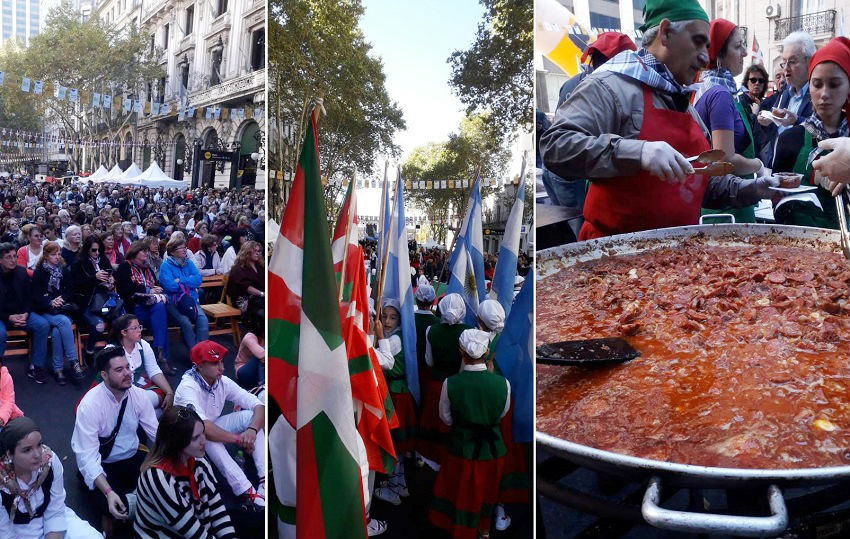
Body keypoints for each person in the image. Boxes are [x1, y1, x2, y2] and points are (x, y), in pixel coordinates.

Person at [539, 0, 778, 240]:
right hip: (613, 259)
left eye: (707, 46)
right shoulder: (610, 86)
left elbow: (701, 183)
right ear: (665, 33)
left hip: (678, 259)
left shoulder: (685, 104)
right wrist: (639, 153)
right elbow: (555, 146)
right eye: (697, 42)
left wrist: (755, 188)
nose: (705, 57)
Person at [428, 329, 510, 539]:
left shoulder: (450, 383)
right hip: (492, 449)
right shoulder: (503, 384)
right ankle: (484, 530)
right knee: (487, 492)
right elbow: (502, 413)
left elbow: (445, 417)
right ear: (486, 353)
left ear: (461, 352)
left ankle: (460, 530)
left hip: (461, 447)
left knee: (460, 492)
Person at [71, 346, 159, 538]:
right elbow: (87, 458)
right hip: (103, 464)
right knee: (114, 506)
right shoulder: (90, 404)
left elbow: (157, 434)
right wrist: (109, 491)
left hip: (133, 456)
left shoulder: (138, 395)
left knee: (164, 490)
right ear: (104, 375)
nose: (128, 373)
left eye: (128, 367)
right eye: (119, 370)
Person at [173, 340, 266, 507]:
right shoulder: (187, 387)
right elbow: (204, 428)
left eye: (221, 361)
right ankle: (246, 490)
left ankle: (264, 481)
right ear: (199, 366)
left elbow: (258, 405)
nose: (222, 367)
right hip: (185, 438)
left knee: (250, 416)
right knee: (205, 435)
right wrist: (239, 439)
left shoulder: (221, 380)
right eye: (215, 363)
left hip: (210, 426)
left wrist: (251, 430)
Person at [772, 37, 850, 228]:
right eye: (817, 84)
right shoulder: (789, 140)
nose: (824, 94)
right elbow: (776, 197)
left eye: (834, 84)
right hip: (800, 246)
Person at [693, 19, 764, 222]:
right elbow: (725, 159)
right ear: (719, 55)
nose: (744, 53)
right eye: (737, 46)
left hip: (723, 202)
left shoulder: (706, 87)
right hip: (727, 210)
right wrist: (758, 166)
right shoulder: (720, 95)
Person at [134, 406, 237, 539]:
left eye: (203, 433)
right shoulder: (157, 478)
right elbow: (191, 531)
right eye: (195, 438)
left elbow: (217, 510)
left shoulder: (200, 462)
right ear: (177, 442)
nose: (204, 441)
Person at [0, 417, 100, 539]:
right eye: (27, 450)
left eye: (39, 445)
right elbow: (4, 532)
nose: (37, 454)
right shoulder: (2, 482)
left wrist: (54, 534)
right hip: (17, 531)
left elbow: (55, 508)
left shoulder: (49, 462)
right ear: (9, 454)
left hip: (53, 518)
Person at [420, 293, 472, 469]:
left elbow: (429, 361)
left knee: (435, 420)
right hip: (457, 384)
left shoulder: (431, 330)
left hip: (436, 383)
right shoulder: (467, 332)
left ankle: (429, 458)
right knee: (451, 422)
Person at [372, 299, 415, 506]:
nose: (387, 321)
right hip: (394, 391)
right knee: (396, 441)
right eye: (385, 316)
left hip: (396, 394)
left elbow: (384, 361)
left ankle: (395, 486)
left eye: (393, 317)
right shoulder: (394, 336)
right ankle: (399, 482)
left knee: (394, 440)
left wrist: (378, 335)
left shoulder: (394, 340)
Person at [757, 31, 816, 166]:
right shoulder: (784, 93)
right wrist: (767, 122)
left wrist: (796, 121)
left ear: (809, 62)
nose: (786, 69)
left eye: (793, 61)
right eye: (784, 62)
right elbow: (775, 133)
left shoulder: (817, 93)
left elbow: (823, 131)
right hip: (774, 168)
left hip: (799, 174)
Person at [115, 241, 174, 375]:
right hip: (134, 308)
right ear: (135, 252)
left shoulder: (147, 268)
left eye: (147, 251)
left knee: (159, 309)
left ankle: (160, 353)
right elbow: (125, 288)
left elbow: (155, 284)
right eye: (143, 251)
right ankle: (162, 358)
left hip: (151, 307)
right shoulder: (125, 267)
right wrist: (148, 290)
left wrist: (156, 289)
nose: (146, 254)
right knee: (160, 318)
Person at [31, 242, 85, 385]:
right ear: (46, 256)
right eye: (53, 254)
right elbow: (36, 296)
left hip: (61, 308)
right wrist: (50, 302)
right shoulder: (39, 272)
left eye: (59, 254)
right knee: (63, 322)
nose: (57, 257)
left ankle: (58, 370)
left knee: (57, 331)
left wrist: (61, 298)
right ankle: (74, 361)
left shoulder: (64, 270)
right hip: (44, 310)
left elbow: (70, 291)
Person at [0, 243, 51, 384]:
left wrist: (26, 314)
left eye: (15, 256)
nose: (13, 260)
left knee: (42, 325)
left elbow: (29, 298)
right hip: (3, 316)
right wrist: (8, 317)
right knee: (0, 333)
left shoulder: (21, 272)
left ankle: (36, 366)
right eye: (8, 257)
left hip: (22, 314)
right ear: (0, 260)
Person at [108, 314, 175, 413]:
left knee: (158, 399)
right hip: (118, 391)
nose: (139, 330)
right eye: (134, 328)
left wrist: (169, 392)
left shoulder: (143, 345)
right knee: (145, 407)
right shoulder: (111, 350)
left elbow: (154, 370)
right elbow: (112, 383)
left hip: (140, 387)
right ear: (124, 332)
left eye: (139, 327)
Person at [159, 236, 210, 352]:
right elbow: (170, 286)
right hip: (173, 302)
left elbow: (198, 280)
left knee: (203, 320)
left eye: (185, 247)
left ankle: (201, 352)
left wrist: (180, 280)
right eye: (180, 248)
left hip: (190, 299)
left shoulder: (189, 263)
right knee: (185, 322)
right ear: (172, 251)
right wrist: (188, 280)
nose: (184, 250)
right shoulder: (165, 266)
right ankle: (195, 354)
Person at [69, 235, 114, 360]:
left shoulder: (103, 260)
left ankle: (114, 352)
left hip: (105, 300)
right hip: (86, 302)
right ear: (87, 249)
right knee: (98, 325)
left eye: (99, 250)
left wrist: (110, 281)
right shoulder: (78, 263)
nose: (97, 253)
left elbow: (110, 275)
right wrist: (94, 277)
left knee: (120, 321)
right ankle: (89, 350)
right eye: (94, 250)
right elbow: (76, 284)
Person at [226, 240, 264, 325]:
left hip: (259, 298)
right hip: (244, 300)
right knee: (263, 313)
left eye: (259, 251)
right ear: (247, 252)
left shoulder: (260, 266)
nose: (257, 253)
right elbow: (246, 288)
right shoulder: (238, 269)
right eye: (255, 251)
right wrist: (262, 294)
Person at [234, 315, 265, 390]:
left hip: (256, 371)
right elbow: (262, 355)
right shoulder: (249, 336)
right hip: (243, 371)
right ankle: (263, 386)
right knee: (261, 355)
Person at [0, 357, 23, 428]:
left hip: (6, 415)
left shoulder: (4, 376)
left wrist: (1, 418)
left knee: (29, 431)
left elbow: (8, 400)